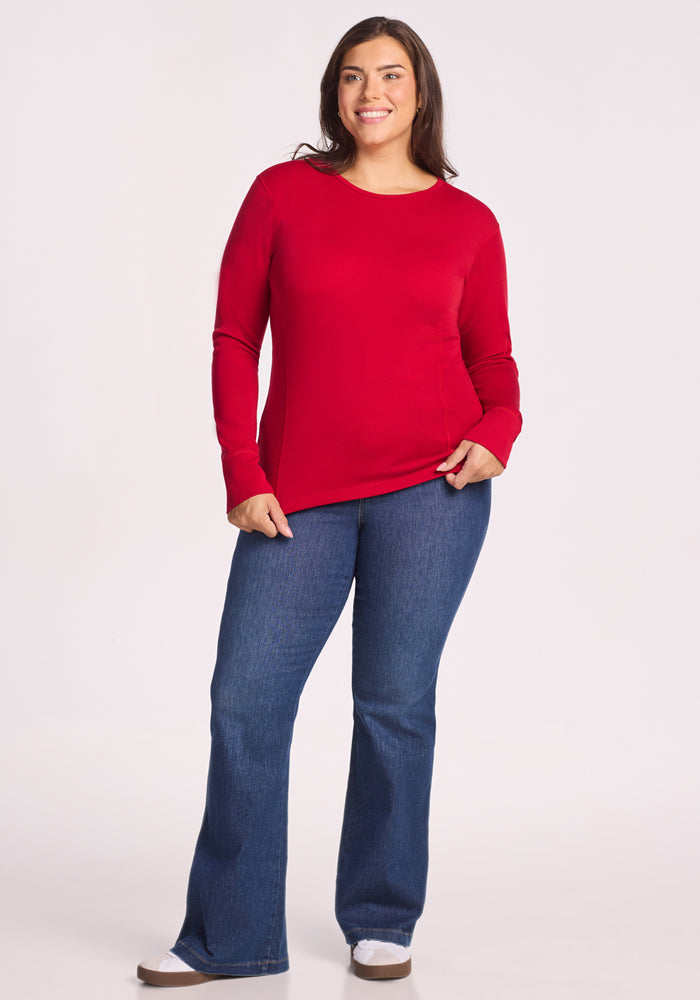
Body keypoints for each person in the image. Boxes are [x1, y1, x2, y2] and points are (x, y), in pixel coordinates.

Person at [137, 14, 522, 988]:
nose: (370, 93)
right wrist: (243, 471)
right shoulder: (282, 194)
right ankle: (229, 936)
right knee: (246, 701)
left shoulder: (468, 222)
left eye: (389, 75)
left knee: (394, 705)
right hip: (294, 496)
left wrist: (499, 431)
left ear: (420, 91)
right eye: (352, 76)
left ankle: (382, 915)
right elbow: (235, 337)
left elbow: (492, 358)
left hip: (431, 491)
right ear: (333, 92)